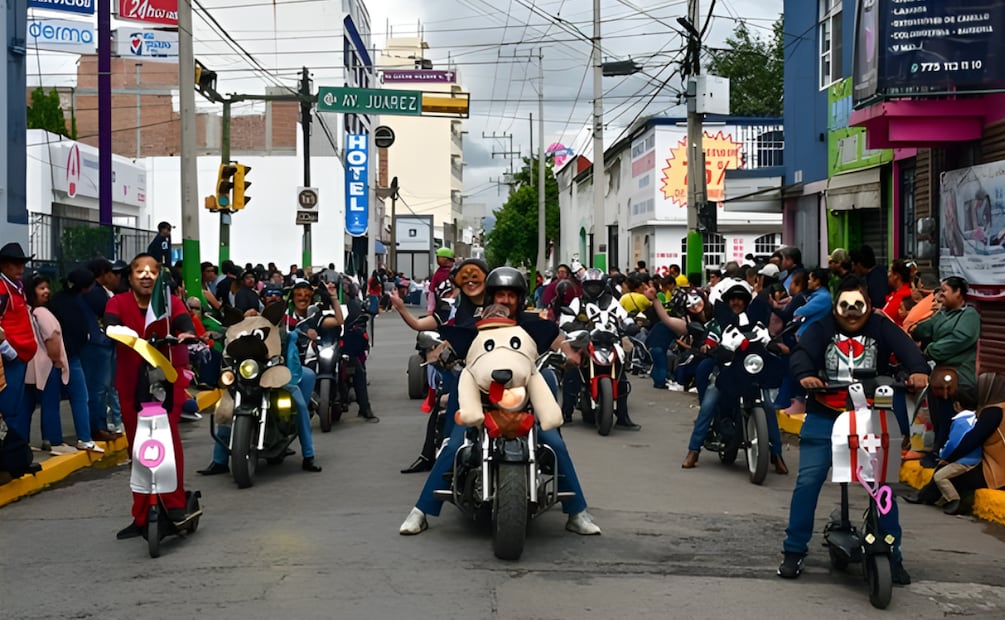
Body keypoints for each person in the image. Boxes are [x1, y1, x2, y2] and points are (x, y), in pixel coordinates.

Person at [398, 267, 601, 537]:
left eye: (511, 295)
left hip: (524, 403)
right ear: (491, 297)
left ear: (520, 298)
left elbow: (562, 345)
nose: (505, 300)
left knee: (553, 443)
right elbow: (446, 346)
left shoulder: (535, 326)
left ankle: (577, 512)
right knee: (455, 444)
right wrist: (440, 354)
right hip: (481, 404)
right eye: (500, 295)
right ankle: (421, 511)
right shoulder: (473, 328)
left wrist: (570, 353)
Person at [778, 277, 929, 583]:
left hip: (871, 417)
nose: (851, 312)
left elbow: (908, 351)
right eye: (844, 305)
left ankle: (893, 552)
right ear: (835, 307)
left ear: (869, 306)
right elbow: (801, 354)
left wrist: (918, 371)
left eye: (858, 305)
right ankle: (794, 551)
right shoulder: (820, 329)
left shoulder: (882, 328)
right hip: (824, 416)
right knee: (808, 480)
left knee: (882, 487)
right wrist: (805, 375)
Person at [105, 255, 195, 539]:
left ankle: (175, 503)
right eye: (138, 271)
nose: (145, 276)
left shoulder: (169, 303)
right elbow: (109, 322)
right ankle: (142, 512)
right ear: (129, 277)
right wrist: (115, 331)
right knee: (138, 447)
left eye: (152, 271)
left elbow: (184, 324)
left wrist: (186, 335)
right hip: (132, 385)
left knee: (168, 444)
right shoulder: (117, 302)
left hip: (165, 381)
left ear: (159, 277)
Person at [681, 278, 785, 472]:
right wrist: (707, 347)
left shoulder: (755, 322)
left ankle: (776, 454)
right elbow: (710, 340)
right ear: (727, 301)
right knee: (708, 406)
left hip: (753, 374)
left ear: (746, 301)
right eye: (733, 299)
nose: (737, 302)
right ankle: (693, 451)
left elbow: (766, 339)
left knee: (769, 407)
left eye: (740, 299)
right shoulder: (718, 323)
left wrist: (775, 346)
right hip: (725, 373)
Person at [909, 275, 980, 466]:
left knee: (944, 388)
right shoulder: (943, 314)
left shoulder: (969, 316)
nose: (941, 295)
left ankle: (943, 447)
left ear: (958, 293)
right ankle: (938, 446)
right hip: (941, 370)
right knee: (935, 390)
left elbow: (959, 339)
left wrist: (931, 349)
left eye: (945, 291)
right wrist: (918, 327)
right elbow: (923, 330)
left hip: (961, 372)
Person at [48, 269, 105, 453]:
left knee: (51, 400)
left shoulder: (57, 299)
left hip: (50, 355)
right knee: (81, 397)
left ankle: (51, 439)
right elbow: (78, 331)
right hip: (70, 356)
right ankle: (85, 438)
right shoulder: (74, 303)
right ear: (86, 287)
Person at [20, 274, 77, 455]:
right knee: (51, 403)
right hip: (47, 365)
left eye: (47, 287)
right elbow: (51, 338)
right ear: (32, 291)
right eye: (41, 288)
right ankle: (54, 441)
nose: (46, 291)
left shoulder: (27, 311)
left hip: (30, 365)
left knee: (26, 406)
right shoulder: (42, 312)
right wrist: (57, 361)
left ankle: (22, 442)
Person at [80, 258, 124, 439]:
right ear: (103, 274)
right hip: (98, 345)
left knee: (102, 388)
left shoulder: (99, 292)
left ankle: (101, 425)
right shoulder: (95, 294)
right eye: (110, 273)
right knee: (99, 388)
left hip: (101, 344)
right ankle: (97, 426)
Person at [0, 242, 39, 435]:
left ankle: (13, 449)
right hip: (11, 360)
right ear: (3, 266)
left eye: (22, 263)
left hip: (20, 357)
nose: (20, 268)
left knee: (15, 406)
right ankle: (10, 451)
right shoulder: (2, 289)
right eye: (15, 264)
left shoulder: (15, 287)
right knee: (9, 408)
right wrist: (10, 352)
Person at [882, 259, 913, 326]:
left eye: (890, 271)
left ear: (896, 276)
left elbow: (884, 320)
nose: (888, 275)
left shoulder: (902, 297)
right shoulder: (895, 295)